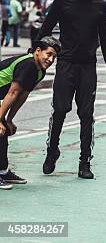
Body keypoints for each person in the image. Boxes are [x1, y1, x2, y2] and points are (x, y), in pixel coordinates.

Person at [36, 0, 106, 179]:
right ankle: (52, 151)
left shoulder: (100, 5)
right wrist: (33, 52)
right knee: (60, 109)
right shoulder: (62, 1)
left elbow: (105, 38)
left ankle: (85, 162)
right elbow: (46, 27)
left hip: (88, 66)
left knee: (86, 115)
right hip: (66, 64)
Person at [0, 36, 61, 190]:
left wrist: (9, 119)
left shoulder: (40, 71)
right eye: (49, 54)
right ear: (38, 51)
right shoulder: (28, 64)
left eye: (54, 56)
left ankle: (3, 171)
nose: (51, 59)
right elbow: (12, 93)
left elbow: (22, 95)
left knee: (4, 130)